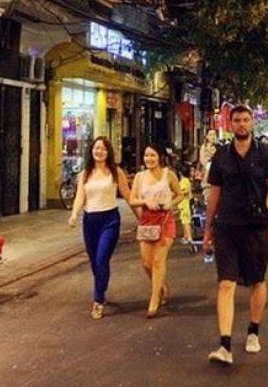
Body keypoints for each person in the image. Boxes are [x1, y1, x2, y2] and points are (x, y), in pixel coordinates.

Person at [203, 105, 268, 367]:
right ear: (229, 123)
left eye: (245, 120)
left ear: (252, 123)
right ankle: (224, 345)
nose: (241, 124)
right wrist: (208, 228)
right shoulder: (222, 155)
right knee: (226, 283)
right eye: (236, 120)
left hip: (256, 226)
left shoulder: (264, 153)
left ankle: (253, 331)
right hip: (227, 226)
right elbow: (215, 192)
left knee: (257, 281)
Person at [68, 136, 134, 320]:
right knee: (93, 261)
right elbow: (80, 196)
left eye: (103, 149)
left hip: (110, 220)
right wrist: (74, 214)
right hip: (90, 221)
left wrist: (140, 217)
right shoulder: (85, 174)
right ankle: (102, 289)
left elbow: (127, 195)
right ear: (91, 150)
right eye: (97, 148)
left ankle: (98, 301)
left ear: (109, 152)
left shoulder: (116, 172)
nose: (99, 152)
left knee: (101, 259)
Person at [128, 143, 184, 318]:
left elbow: (180, 194)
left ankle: (154, 298)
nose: (149, 159)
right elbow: (132, 199)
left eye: (152, 155)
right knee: (147, 263)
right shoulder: (139, 177)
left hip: (165, 220)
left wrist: (170, 204)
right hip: (146, 220)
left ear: (160, 157)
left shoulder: (169, 175)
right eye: (146, 156)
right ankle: (161, 286)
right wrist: (145, 202)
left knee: (159, 261)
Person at [176, 162, 196, 250]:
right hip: (183, 205)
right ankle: (186, 236)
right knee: (184, 221)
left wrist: (176, 193)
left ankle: (189, 238)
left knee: (186, 222)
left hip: (185, 205)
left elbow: (184, 192)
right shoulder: (186, 180)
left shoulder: (184, 181)